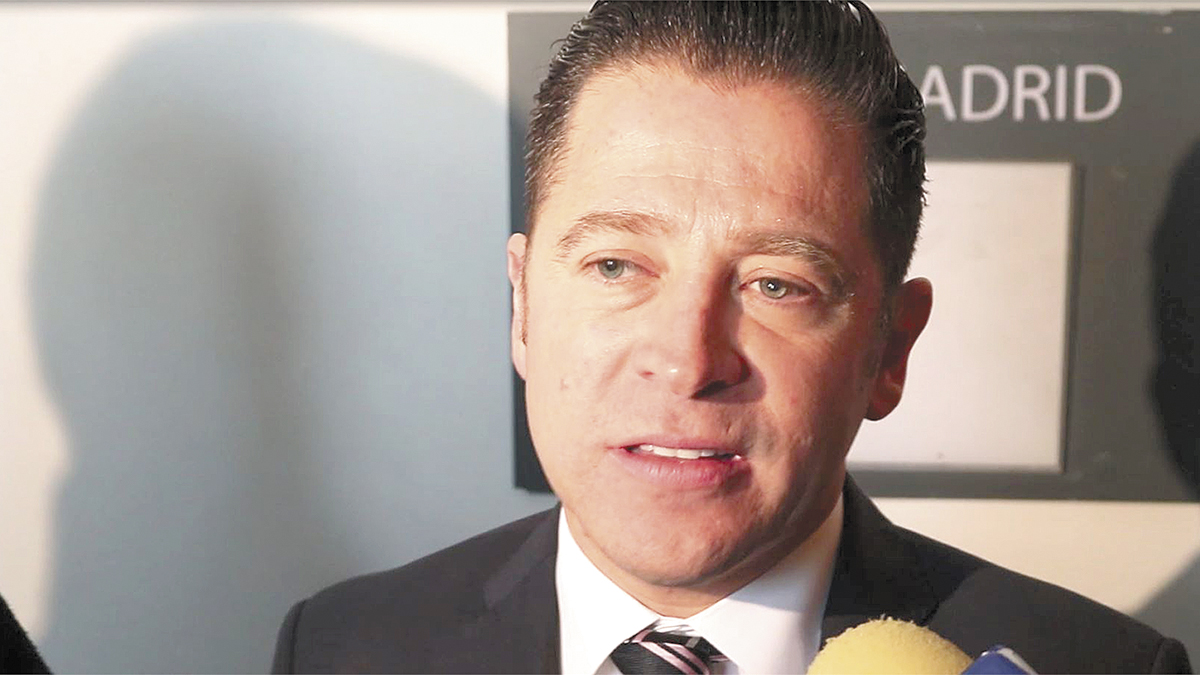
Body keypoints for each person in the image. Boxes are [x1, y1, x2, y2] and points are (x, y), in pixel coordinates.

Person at [271, 2, 1192, 673]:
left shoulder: (1100, 665)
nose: (687, 359)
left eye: (775, 284)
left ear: (889, 351)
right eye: (616, 266)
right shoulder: (343, 647)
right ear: (523, 307)